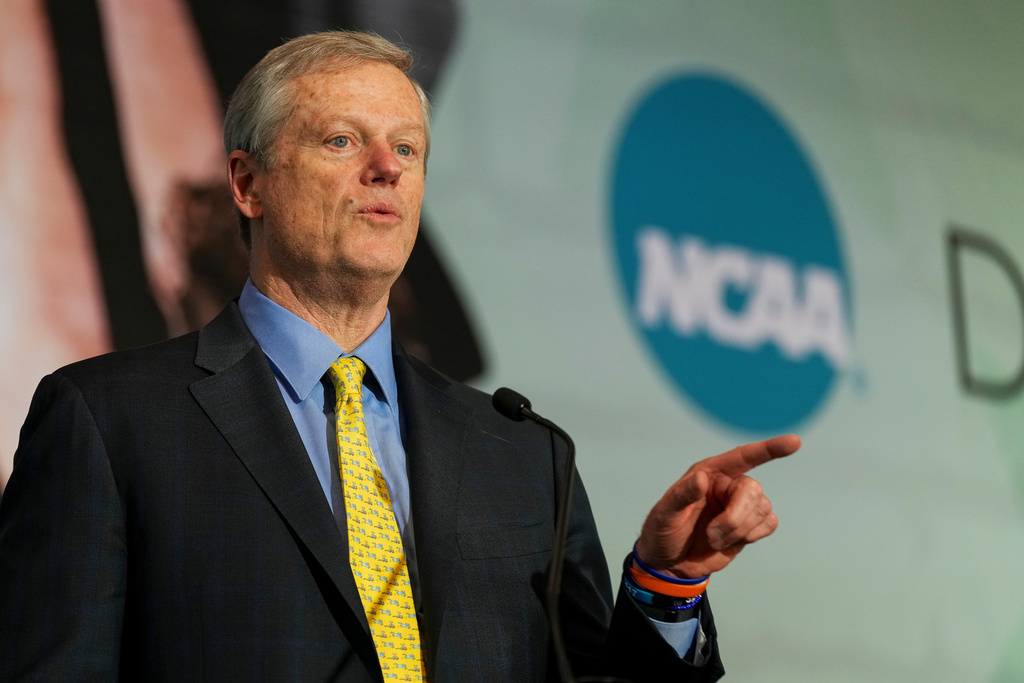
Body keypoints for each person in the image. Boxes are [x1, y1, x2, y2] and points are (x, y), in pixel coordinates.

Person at [0, 31, 799, 682]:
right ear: (247, 184)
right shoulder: (109, 421)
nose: (386, 167)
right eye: (342, 140)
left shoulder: (524, 455)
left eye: (407, 149)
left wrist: (667, 583)